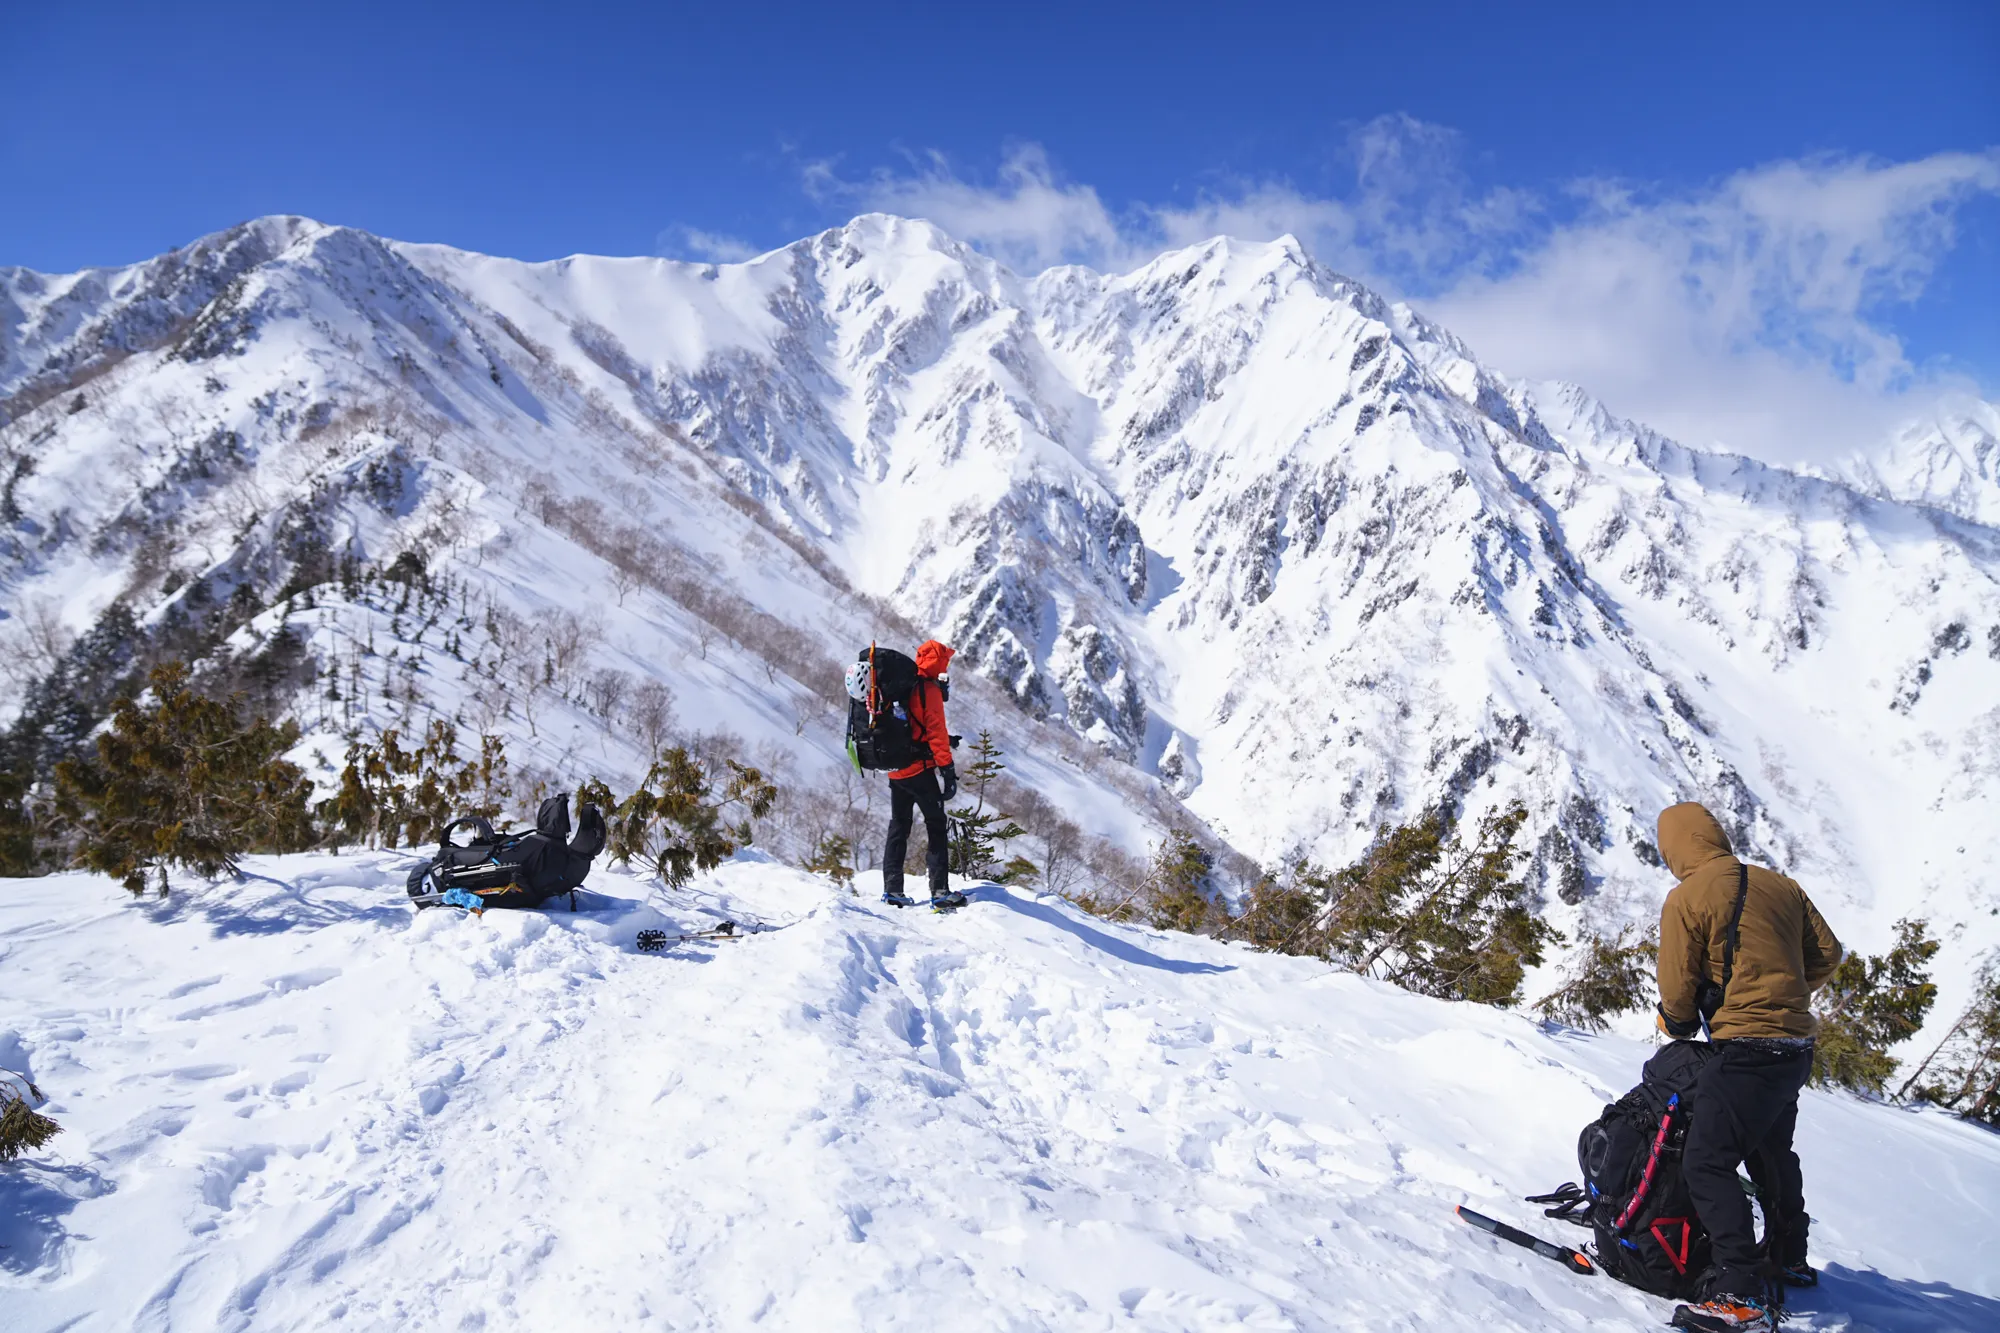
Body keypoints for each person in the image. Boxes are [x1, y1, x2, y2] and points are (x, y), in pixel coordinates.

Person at [1654, 802, 1843, 1333]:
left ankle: (1740, 1291)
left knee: (1708, 1162)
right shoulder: (1781, 886)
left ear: (1674, 849)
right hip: (1794, 1048)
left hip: (1745, 1049)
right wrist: (1784, 991)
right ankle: (1789, 1255)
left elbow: (1677, 991)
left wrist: (1677, 1021)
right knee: (1770, 1150)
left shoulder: (1687, 897)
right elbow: (1827, 953)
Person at [881, 638, 963, 909]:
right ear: (938, 662)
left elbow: (915, 728)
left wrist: (945, 740)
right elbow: (935, 733)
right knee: (937, 826)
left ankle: (893, 891)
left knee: (899, 827)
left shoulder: (904, 685)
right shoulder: (929, 689)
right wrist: (948, 770)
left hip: (896, 770)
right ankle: (940, 892)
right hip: (920, 771)